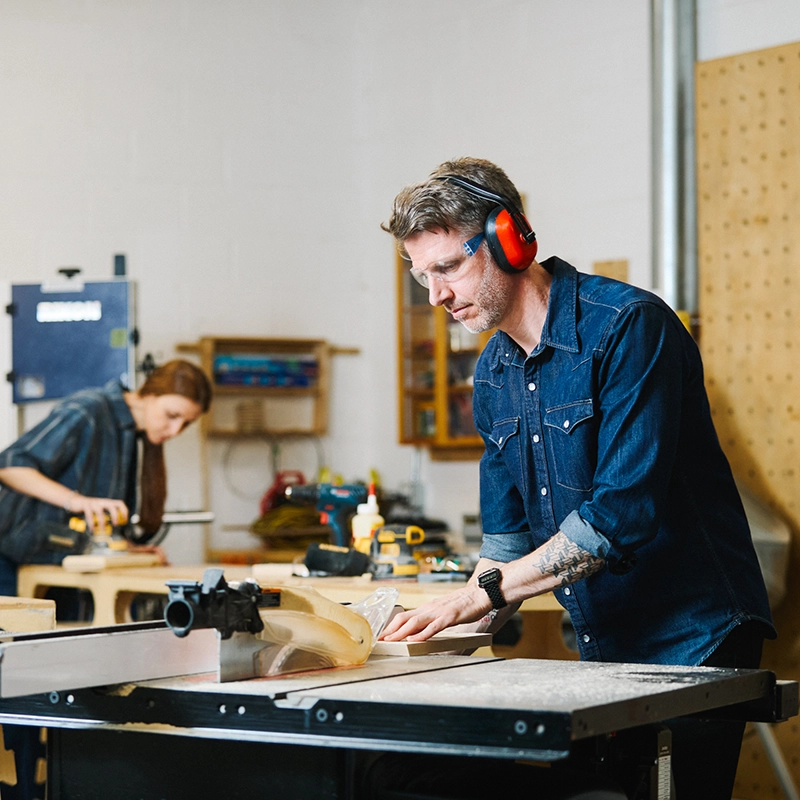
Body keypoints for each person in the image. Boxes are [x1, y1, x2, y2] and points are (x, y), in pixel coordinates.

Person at [380, 157, 775, 799]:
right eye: (421, 276)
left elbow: (619, 519)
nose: (437, 297)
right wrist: (437, 639)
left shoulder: (627, 326)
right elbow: (504, 548)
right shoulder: (491, 378)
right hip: (604, 638)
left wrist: (478, 595)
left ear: (512, 238)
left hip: (694, 635)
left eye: (448, 266)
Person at [0, 359, 212, 596]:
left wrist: (126, 549)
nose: (175, 431)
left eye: (186, 424)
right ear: (150, 394)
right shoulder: (89, 410)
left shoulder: (132, 435)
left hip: (58, 565)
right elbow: (9, 465)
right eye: (172, 415)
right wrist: (78, 501)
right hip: (9, 561)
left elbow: (92, 526)